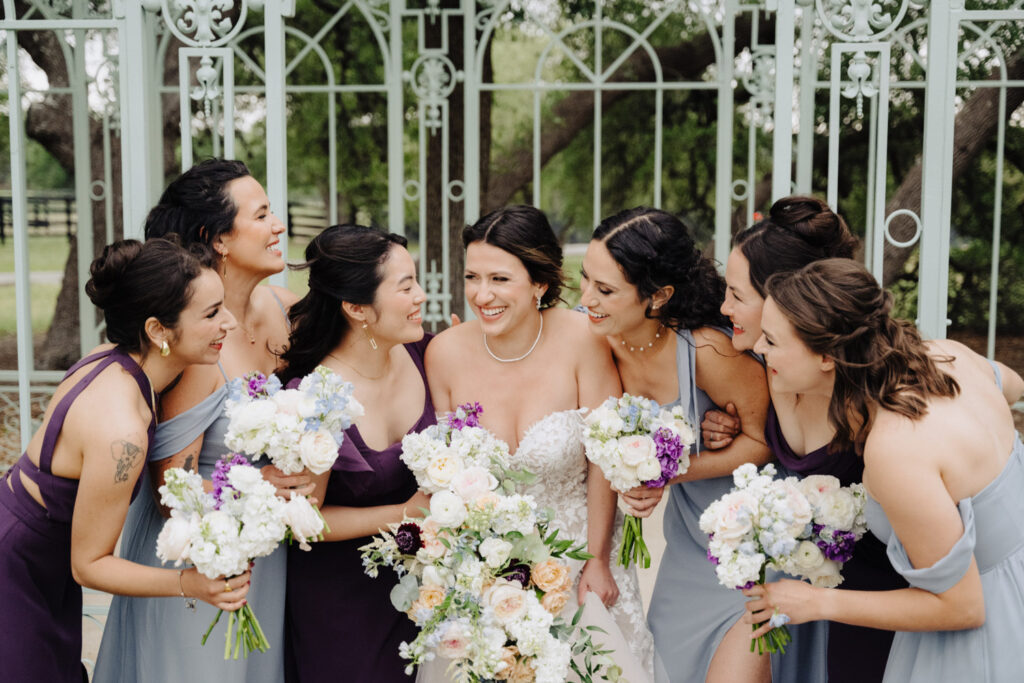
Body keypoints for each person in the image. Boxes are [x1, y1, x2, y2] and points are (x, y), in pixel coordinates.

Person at [743, 258, 1024, 683]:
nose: (760, 350)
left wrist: (816, 603)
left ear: (826, 356)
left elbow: (962, 607)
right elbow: (1014, 384)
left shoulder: (896, 450)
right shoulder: (948, 356)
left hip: (978, 646)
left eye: (771, 340)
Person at [579, 206, 821, 683]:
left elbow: (762, 444)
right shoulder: (595, 338)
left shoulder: (709, 351)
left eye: (604, 290)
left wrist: (666, 471)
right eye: (585, 279)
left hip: (754, 546)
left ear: (658, 296)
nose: (586, 299)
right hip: (689, 545)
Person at [425, 205, 655, 680]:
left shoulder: (583, 339)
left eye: (500, 279)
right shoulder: (444, 352)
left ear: (540, 284)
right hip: (486, 573)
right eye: (472, 276)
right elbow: (445, 475)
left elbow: (602, 460)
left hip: (578, 561)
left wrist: (596, 561)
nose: (481, 295)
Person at [0, 239, 245, 682]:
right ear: (157, 330)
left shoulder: (114, 359)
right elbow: (89, 564)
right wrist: (189, 584)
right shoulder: (122, 432)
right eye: (211, 314)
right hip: (19, 568)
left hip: (38, 557)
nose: (228, 322)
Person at [95, 160, 303, 683]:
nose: (278, 225)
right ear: (219, 239)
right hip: (200, 563)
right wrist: (263, 489)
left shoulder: (284, 306)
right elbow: (173, 490)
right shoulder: (194, 345)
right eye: (262, 214)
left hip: (262, 558)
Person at [706, 196, 905, 682]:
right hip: (804, 578)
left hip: (883, 585)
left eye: (736, 295)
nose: (723, 306)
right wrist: (726, 426)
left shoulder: (871, 396)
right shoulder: (767, 363)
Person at [278, 224, 434, 683]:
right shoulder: (313, 397)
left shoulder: (426, 353)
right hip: (342, 603)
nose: (421, 296)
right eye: (405, 287)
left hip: (426, 591)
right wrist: (406, 513)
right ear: (356, 307)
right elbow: (305, 520)